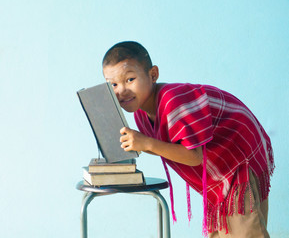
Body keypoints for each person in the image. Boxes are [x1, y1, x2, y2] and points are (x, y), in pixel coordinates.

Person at [102, 41, 274, 238]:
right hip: (219, 164)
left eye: (130, 79)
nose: (121, 90)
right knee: (223, 232)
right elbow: (164, 148)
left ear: (153, 75)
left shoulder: (172, 100)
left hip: (237, 154)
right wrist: (135, 143)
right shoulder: (141, 115)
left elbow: (193, 156)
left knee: (245, 231)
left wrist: (146, 143)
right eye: (113, 84)